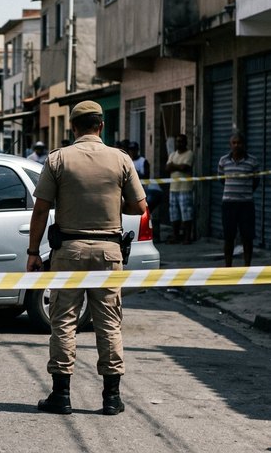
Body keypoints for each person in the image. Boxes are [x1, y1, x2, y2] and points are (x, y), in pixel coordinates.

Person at [27, 101, 147, 416]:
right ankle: (111, 398)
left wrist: (32, 252)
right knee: (109, 322)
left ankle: (61, 396)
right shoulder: (121, 159)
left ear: (73, 127)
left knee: (64, 320)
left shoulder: (58, 159)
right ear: (101, 126)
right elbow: (139, 207)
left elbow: (41, 209)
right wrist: (111, 201)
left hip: (69, 250)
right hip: (109, 252)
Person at [218, 134, 260, 267]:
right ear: (230, 145)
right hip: (229, 204)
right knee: (228, 237)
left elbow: (256, 181)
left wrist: (245, 192)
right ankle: (228, 267)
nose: (236, 145)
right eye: (234, 143)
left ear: (244, 144)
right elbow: (221, 179)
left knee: (247, 237)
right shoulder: (223, 161)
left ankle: (247, 266)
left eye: (239, 143)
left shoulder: (252, 161)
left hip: (246, 204)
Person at [165, 134, 195, 244]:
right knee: (174, 214)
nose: (179, 143)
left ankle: (187, 237)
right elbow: (167, 168)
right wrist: (177, 166)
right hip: (173, 188)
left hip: (185, 188)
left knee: (186, 213)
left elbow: (185, 167)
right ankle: (175, 236)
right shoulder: (173, 154)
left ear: (186, 142)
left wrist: (174, 166)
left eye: (181, 141)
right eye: (177, 141)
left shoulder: (189, 154)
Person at [128, 141, 162, 212]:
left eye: (134, 149)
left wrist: (136, 174)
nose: (132, 152)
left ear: (137, 150)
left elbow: (146, 176)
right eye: (131, 150)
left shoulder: (143, 161)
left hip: (144, 190)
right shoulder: (128, 161)